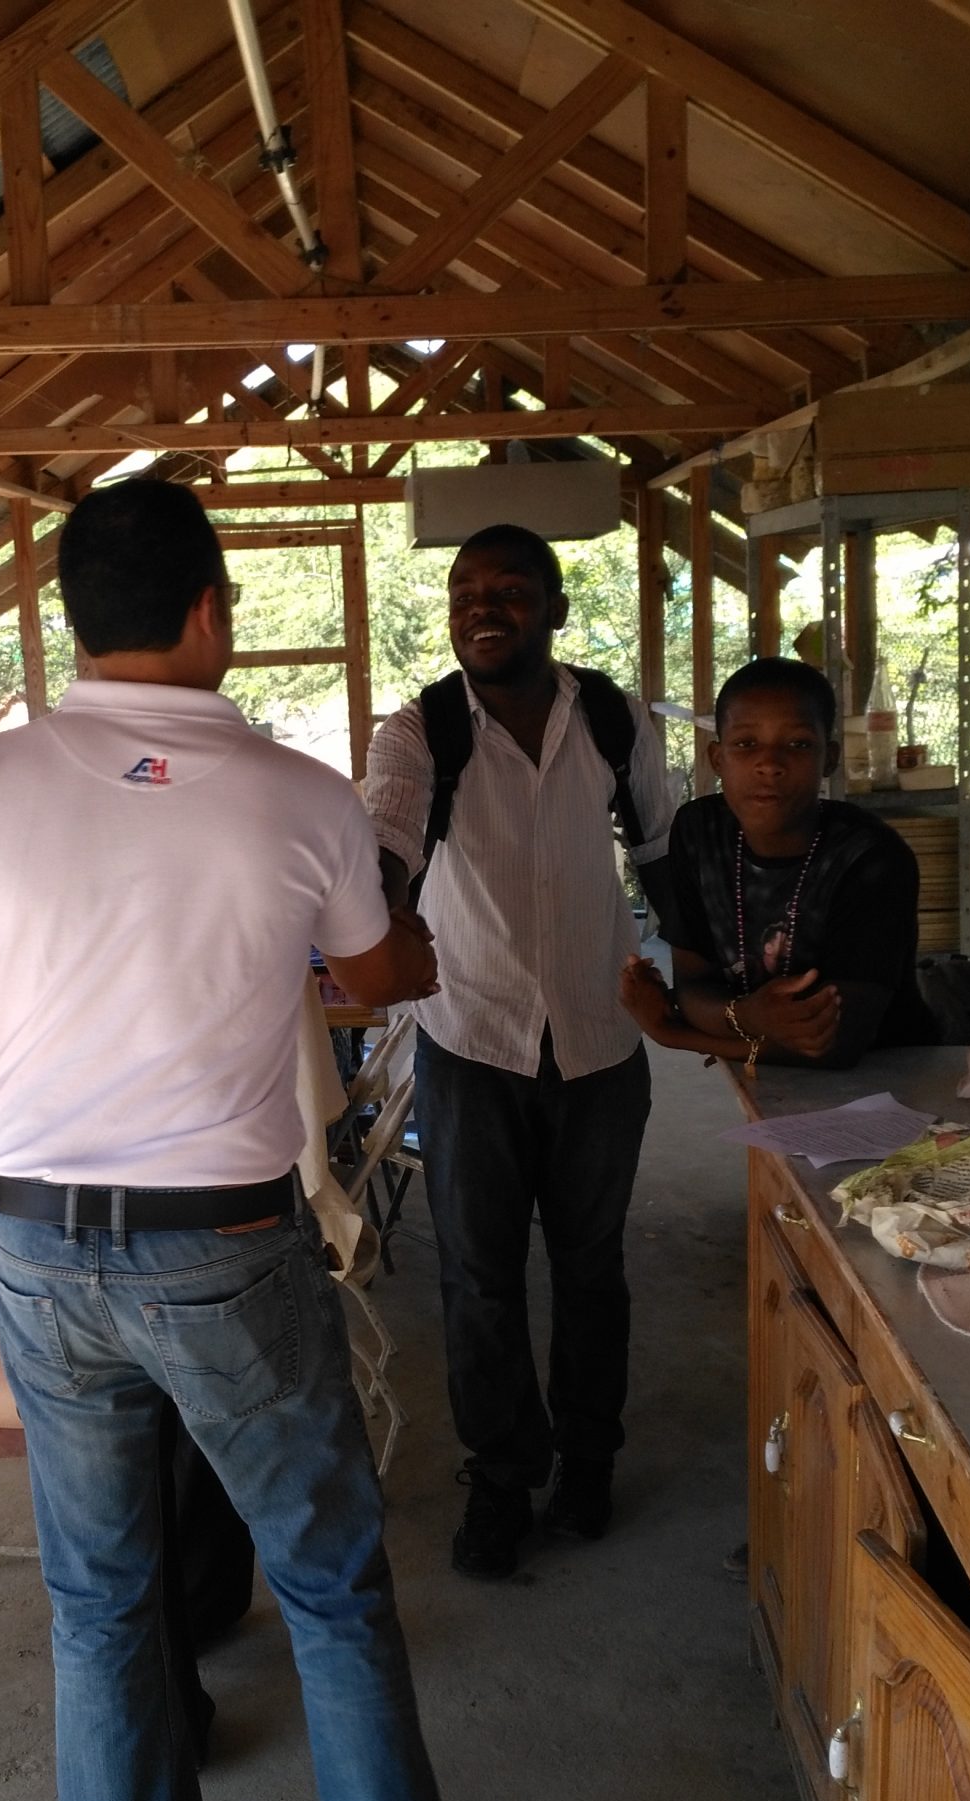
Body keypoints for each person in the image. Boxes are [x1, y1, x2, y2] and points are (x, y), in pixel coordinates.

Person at [0, 477, 494, 1801]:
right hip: (223, 1249)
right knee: (330, 1592)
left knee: (97, 1611)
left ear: (70, 624)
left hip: (34, 1250)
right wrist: (388, 958)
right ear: (211, 612)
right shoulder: (299, 796)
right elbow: (375, 968)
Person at [364, 523, 673, 1582]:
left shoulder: (616, 721)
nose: (480, 608)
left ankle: (587, 1462)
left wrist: (709, 998)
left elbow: (665, 851)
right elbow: (387, 839)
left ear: (554, 609)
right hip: (472, 1042)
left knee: (593, 1272)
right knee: (479, 1280)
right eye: (462, 592)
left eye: (507, 589)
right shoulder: (421, 731)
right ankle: (501, 1477)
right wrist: (371, 906)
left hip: (598, 1040)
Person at [618, 656, 937, 1074]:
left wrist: (672, 1033)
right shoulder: (699, 832)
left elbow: (835, 1047)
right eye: (746, 744)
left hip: (891, 1081)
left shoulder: (870, 858)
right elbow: (696, 987)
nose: (769, 763)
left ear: (829, 758)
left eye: (798, 744)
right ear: (718, 758)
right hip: (771, 1079)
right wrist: (748, 1017)